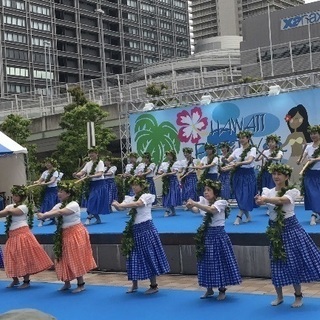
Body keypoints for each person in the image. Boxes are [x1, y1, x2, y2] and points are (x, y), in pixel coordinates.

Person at [255, 163, 320, 308]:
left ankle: (298, 296)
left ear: (287, 177)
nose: (276, 177)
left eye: (279, 174)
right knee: (276, 261)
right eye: (274, 174)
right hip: (274, 230)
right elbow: (262, 200)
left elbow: (282, 201)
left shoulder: (292, 191)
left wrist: (265, 200)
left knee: (293, 262)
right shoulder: (268, 191)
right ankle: (279, 296)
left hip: (290, 228)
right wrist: (259, 200)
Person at [112, 177, 170, 294]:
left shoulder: (147, 196)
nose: (134, 187)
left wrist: (121, 206)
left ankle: (154, 285)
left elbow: (138, 204)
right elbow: (121, 207)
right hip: (134, 230)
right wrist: (116, 205)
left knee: (149, 254)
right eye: (132, 185)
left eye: (136, 185)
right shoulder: (131, 198)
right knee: (133, 256)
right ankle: (134, 285)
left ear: (142, 186)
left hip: (146, 229)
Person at [37, 182, 97, 293]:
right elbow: (53, 211)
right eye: (58, 191)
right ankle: (67, 282)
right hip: (63, 234)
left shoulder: (73, 204)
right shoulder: (59, 204)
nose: (58, 193)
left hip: (75, 233)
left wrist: (44, 215)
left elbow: (60, 212)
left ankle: (81, 284)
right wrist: (43, 215)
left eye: (61, 191)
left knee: (75, 257)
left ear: (68, 194)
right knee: (62, 257)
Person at [186, 179, 241, 300]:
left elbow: (211, 210)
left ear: (215, 192)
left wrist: (195, 203)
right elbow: (196, 210)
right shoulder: (203, 202)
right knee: (206, 262)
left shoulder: (221, 202)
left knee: (219, 261)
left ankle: (222, 290)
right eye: (204, 190)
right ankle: (209, 289)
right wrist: (190, 207)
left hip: (218, 236)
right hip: (206, 235)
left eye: (208, 190)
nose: (205, 192)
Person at [1, 185, 53, 289]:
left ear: (22, 197)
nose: (14, 197)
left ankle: (26, 280)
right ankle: (15, 279)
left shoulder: (23, 207)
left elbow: (10, 212)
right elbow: (5, 213)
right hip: (12, 235)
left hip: (22, 234)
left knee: (23, 256)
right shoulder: (9, 206)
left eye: (16, 195)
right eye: (14, 195)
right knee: (11, 256)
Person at [222, 130, 257, 225]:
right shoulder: (237, 150)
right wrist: (224, 160)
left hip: (248, 175)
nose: (241, 139)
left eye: (243, 137)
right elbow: (229, 160)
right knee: (239, 196)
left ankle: (239, 216)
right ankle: (248, 216)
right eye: (240, 138)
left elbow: (249, 161)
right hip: (237, 175)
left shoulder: (252, 149)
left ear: (248, 138)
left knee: (245, 195)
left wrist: (239, 163)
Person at [73, 148, 108, 225]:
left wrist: (91, 176)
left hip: (99, 184)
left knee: (92, 200)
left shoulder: (100, 162)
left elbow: (100, 174)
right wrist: (77, 174)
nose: (91, 155)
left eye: (93, 153)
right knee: (89, 202)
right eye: (90, 153)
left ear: (96, 154)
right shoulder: (88, 163)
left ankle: (88, 218)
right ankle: (98, 219)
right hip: (90, 185)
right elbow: (82, 172)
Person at [282, 104, 311, 184]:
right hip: (292, 158)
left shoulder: (303, 134)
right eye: (292, 119)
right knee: (290, 179)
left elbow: (306, 144)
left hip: (301, 158)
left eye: (297, 118)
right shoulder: (290, 136)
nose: (294, 121)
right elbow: (284, 144)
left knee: (301, 178)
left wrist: (302, 156)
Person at [297, 125, 320, 226]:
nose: (313, 135)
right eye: (311, 134)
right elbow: (303, 157)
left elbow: (316, 159)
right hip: (310, 175)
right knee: (313, 195)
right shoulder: (308, 146)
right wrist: (299, 160)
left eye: (315, 133)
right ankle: (314, 215)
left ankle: (315, 214)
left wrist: (315, 159)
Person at [33, 158, 60, 227]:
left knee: (53, 204)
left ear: (52, 164)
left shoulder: (55, 172)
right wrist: (37, 182)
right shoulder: (45, 172)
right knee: (45, 204)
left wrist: (44, 184)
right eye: (46, 163)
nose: (47, 164)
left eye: (49, 163)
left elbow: (52, 181)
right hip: (47, 191)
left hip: (54, 191)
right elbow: (40, 180)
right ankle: (42, 220)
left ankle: (54, 218)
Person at [157, 150, 182, 217]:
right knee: (167, 195)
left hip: (173, 181)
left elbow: (175, 172)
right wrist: (160, 172)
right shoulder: (164, 164)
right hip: (166, 181)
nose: (168, 156)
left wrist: (167, 174)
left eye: (170, 155)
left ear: (173, 156)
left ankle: (167, 210)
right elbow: (160, 172)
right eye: (167, 155)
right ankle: (173, 211)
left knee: (171, 195)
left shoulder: (176, 163)